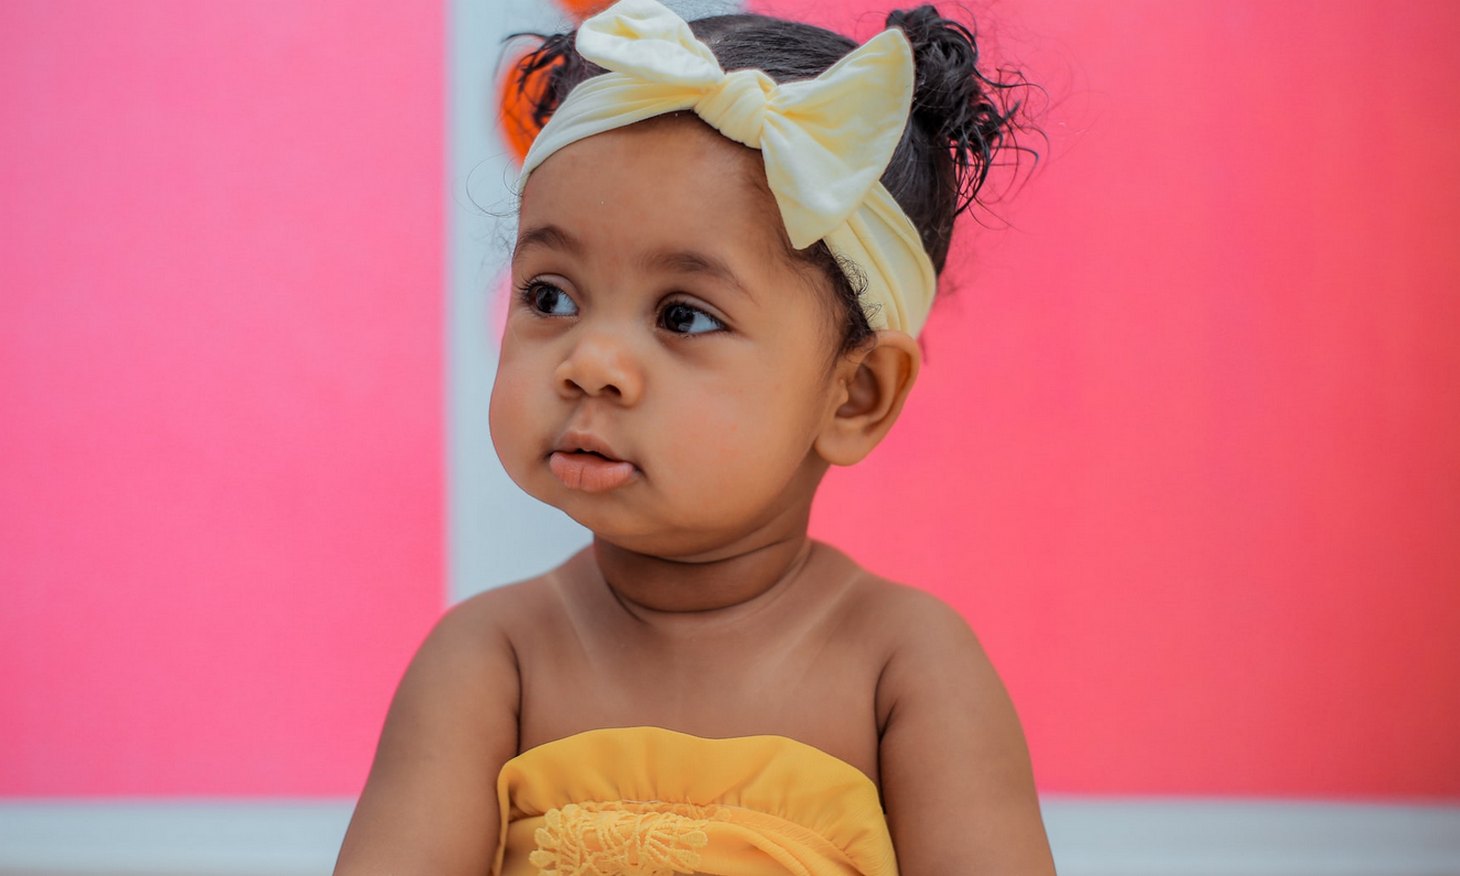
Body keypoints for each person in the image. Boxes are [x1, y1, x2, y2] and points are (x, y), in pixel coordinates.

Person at [335, 0, 1054, 872]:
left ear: (855, 394)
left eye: (683, 315)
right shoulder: (492, 663)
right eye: (550, 296)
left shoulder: (904, 668)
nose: (589, 362)